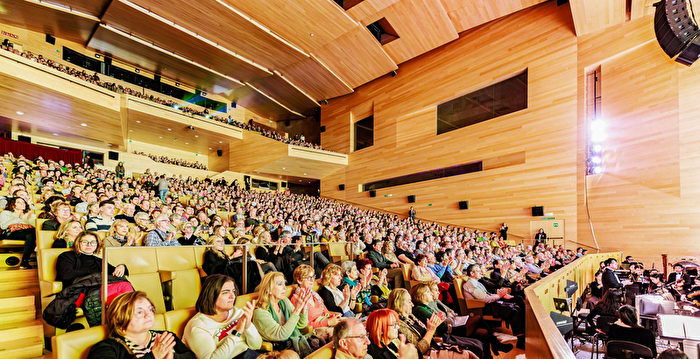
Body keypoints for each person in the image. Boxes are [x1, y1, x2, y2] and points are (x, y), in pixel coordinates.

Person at [88, 291, 195, 359]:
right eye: (139, 312)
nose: (148, 314)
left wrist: (173, 357)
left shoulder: (166, 337)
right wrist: (154, 356)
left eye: (150, 309)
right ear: (119, 321)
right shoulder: (106, 348)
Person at [183, 274, 262, 359]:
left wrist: (248, 326)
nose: (233, 296)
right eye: (225, 292)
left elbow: (256, 346)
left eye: (233, 291)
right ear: (211, 295)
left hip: (252, 354)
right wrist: (236, 332)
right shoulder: (198, 326)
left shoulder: (237, 312)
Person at [387, 288, 479, 359]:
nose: (412, 304)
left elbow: (432, 332)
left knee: (476, 346)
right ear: (400, 303)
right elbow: (418, 350)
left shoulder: (410, 316)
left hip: (435, 345)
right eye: (409, 301)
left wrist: (434, 325)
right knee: (471, 351)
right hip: (428, 353)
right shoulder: (399, 323)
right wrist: (431, 330)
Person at [252, 272, 314, 357]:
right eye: (280, 284)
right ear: (268, 289)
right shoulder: (260, 312)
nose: (285, 287)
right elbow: (282, 335)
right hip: (277, 351)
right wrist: (297, 310)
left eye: (284, 283)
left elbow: (301, 324)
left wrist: (303, 308)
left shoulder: (283, 301)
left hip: (292, 343)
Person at [55, 231, 128, 288]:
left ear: (97, 244)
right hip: (76, 291)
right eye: (85, 242)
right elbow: (65, 275)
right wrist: (94, 274)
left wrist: (122, 266)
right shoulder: (66, 256)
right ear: (78, 243)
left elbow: (117, 273)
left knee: (124, 285)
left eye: (93, 242)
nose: (89, 245)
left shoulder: (98, 260)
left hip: (97, 290)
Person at [290, 264, 341, 337]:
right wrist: (328, 322)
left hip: (326, 325)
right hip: (314, 332)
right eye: (308, 277)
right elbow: (303, 326)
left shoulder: (315, 295)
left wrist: (335, 316)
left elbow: (326, 313)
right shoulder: (296, 299)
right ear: (299, 280)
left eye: (313, 277)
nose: (312, 280)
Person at [0, 197, 37, 268]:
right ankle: (25, 261)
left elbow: (34, 225)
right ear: (13, 204)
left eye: (23, 202)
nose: (22, 204)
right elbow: (3, 226)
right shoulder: (5, 213)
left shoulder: (27, 214)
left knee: (31, 233)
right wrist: (18, 218)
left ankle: (25, 261)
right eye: (19, 202)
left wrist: (30, 219)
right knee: (31, 233)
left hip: (26, 232)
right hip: (10, 233)